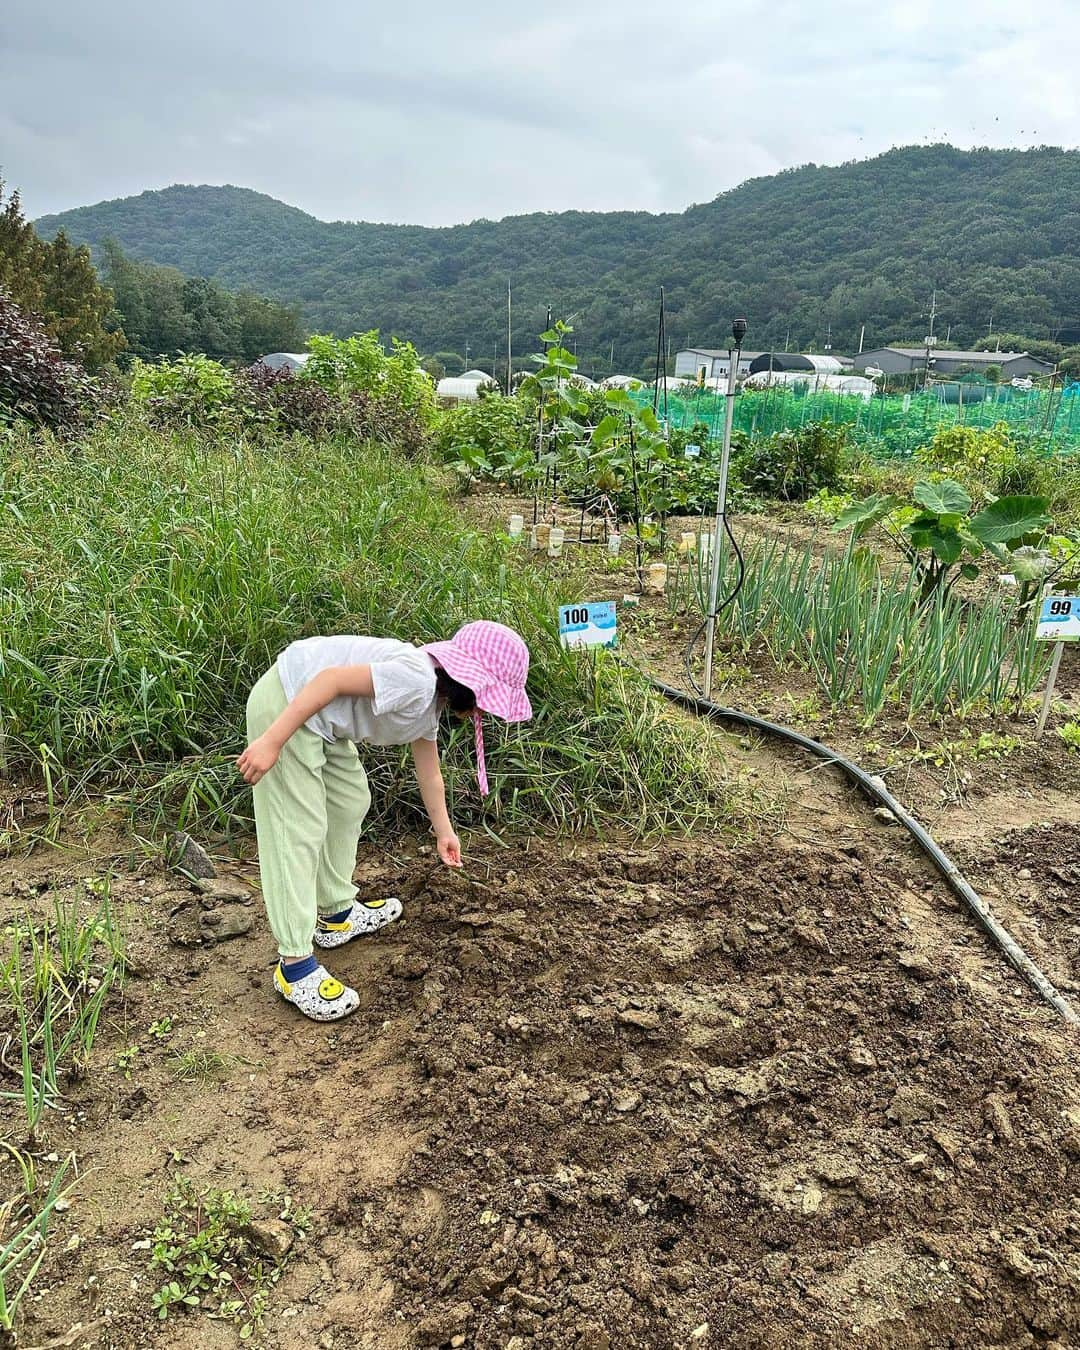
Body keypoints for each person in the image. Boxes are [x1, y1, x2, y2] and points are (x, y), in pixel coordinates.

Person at [237, 621, 531, 1021]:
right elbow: (330, 681)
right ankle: (294, 964)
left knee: (350, 799)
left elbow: (430, 773)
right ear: (468, 681)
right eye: (487, 698)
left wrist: (444, 832)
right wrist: (273, 740)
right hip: (289, 705)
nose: (483, 710)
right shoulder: (415, 678)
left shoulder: (431, 702)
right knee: (297, 828)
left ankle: (335, 914)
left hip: (323, 722)